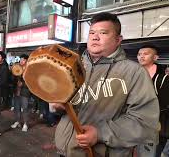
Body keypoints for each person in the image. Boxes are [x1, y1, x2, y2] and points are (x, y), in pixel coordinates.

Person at [53, 12, 159, 157]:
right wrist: (58, 105)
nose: (95, 37)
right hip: (64, 152)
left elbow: (144, 121)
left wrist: (100, 133)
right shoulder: (73, 67)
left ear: (118, 39)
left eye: (103, 32)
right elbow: (62, 104)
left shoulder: (134, 72)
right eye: (91, 32)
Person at [137, 45, 169, 157]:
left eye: (145, 54)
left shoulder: (163, 78)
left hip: (156, 123)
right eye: (139, 54)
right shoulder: (133, 75)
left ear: (155, 58)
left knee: (152, 152)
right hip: (136, 121)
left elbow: (165, 103)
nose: (141, 56)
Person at [10, 54, 31, 132]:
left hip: (25, 92)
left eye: (23, 60)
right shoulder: (17, 68)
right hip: (16, 92)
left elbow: (31, 82)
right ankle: (17, 121)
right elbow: (12, 80)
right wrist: (13, 73)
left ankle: (25, 124)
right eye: (20, 59)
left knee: (25, 108)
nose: (21, 61)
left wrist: (23, 84)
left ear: (26, 60)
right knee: (16, 108)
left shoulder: (29, 70)